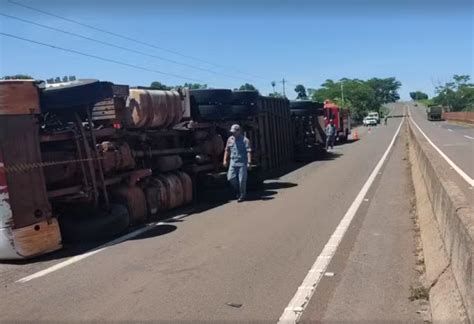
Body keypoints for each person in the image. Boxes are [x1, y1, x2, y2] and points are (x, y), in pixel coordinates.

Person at [223, 124, 252, 202]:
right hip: (233, 162)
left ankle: (242, 195)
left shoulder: (245, 140)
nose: (233, 133)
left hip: (242, 162)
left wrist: (249, 162)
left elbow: (248, 151)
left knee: (242, 180)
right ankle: (238, 190)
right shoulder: (230, 139)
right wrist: (225, 160)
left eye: (234, 132)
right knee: (230, 178)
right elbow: (227, 150)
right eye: (232, 132)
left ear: (239, 131)